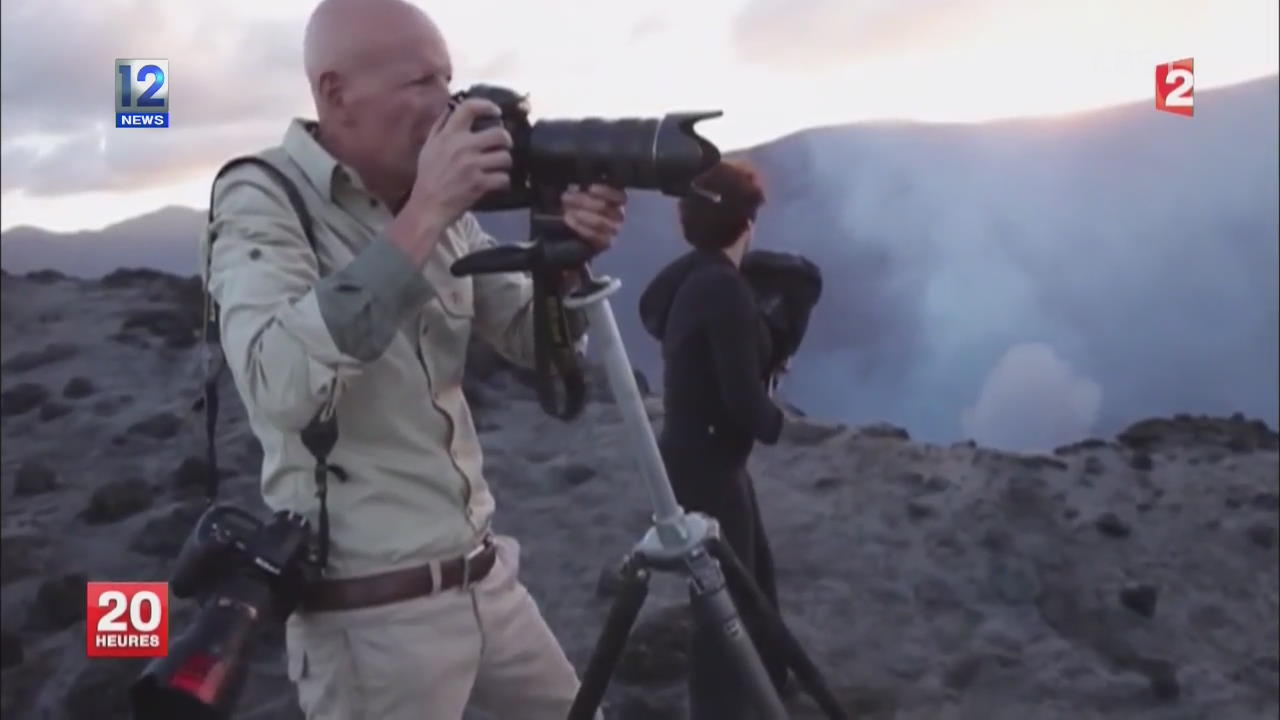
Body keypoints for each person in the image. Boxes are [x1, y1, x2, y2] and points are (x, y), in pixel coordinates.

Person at [202, 1, 626, 718]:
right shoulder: (262, 196)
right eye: (421, 83)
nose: (448, 105)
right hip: (371, 621)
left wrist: (564, 262)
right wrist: (425, 210)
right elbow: (277, 383)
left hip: (487, 582)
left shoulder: (434, 203)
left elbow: (530, 340)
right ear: (336, 94)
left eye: (449, 79)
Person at [638, 159, 792, 719]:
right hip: (710, 465)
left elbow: (653, 316)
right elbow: (742, 401)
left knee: (754, 582)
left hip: (694, 454)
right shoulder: (724, 288)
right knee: (723, 600)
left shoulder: (691, 276)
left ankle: (767, 694)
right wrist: (778, 419)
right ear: (748, 223)